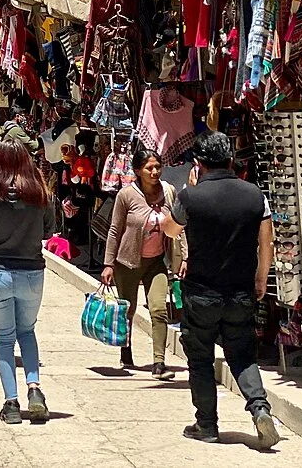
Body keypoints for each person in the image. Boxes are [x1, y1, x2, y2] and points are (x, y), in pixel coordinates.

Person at [162, 130, 279, 449]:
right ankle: (260, 409)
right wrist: (261, 278)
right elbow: (265, 241)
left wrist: (189, 190)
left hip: (201, 292)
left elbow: (170, 230)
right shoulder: (255, 195)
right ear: (231, 161)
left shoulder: (190, 197)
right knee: (242, 353)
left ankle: (207, 424)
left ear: (198, 163)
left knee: (199, 357)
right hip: (241, 290)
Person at [0, 137, 57, 424]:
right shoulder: (41, 193)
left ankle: (11, 403)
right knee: (27, 332)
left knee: (4, 339)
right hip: (32, 271)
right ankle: (35, 388)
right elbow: (48, 231)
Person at [102, 149, 187, 380]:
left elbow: (179, 226)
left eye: (158, 167)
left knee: (159, 310)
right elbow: (114, 230)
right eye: (149, 168)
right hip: (127, 262)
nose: (155, 172)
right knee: (127, 310)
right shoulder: (126, 195)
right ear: (138, 171)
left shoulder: (168, 192)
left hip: (157, 262)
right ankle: (126, 350)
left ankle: (159, 363)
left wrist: (185, 257)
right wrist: (108, 264)